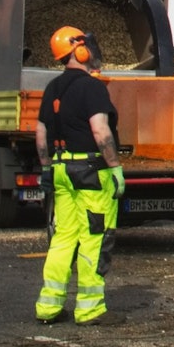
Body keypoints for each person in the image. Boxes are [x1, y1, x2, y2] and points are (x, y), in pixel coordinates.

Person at [34, 26, 125, 326]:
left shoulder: (52, 88)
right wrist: (114, 167)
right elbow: (100, 131)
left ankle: (49, 306)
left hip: (60, 171)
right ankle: (90, 309)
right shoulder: (93, 88)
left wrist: (48, 167)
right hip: (89, 172)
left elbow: (41, 134)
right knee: (95, 238)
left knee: (63, 238)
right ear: (79, 51)